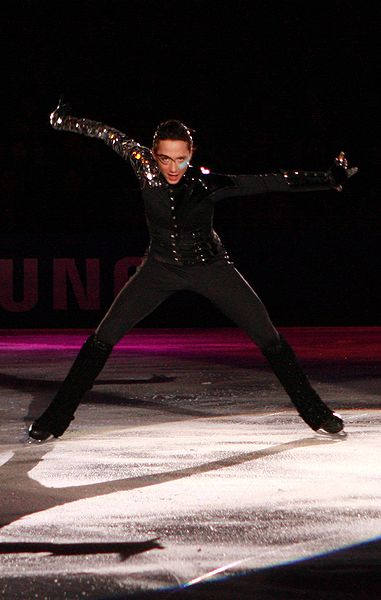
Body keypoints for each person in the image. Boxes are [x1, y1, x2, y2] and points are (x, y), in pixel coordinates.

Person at [28, 99, 358, 442]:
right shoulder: (143, 166)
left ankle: (316, 413)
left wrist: (329, 179)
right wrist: (63, 121)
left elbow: (270, 181)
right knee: (103, 337)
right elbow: (108, 135)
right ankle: (54, 420)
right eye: (165, 158)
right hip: (159, 268)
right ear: (153, 153)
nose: (173, 167)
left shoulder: (206, 185)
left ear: (192, 153)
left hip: (210, 267)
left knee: (267, 336)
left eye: (181, 158)